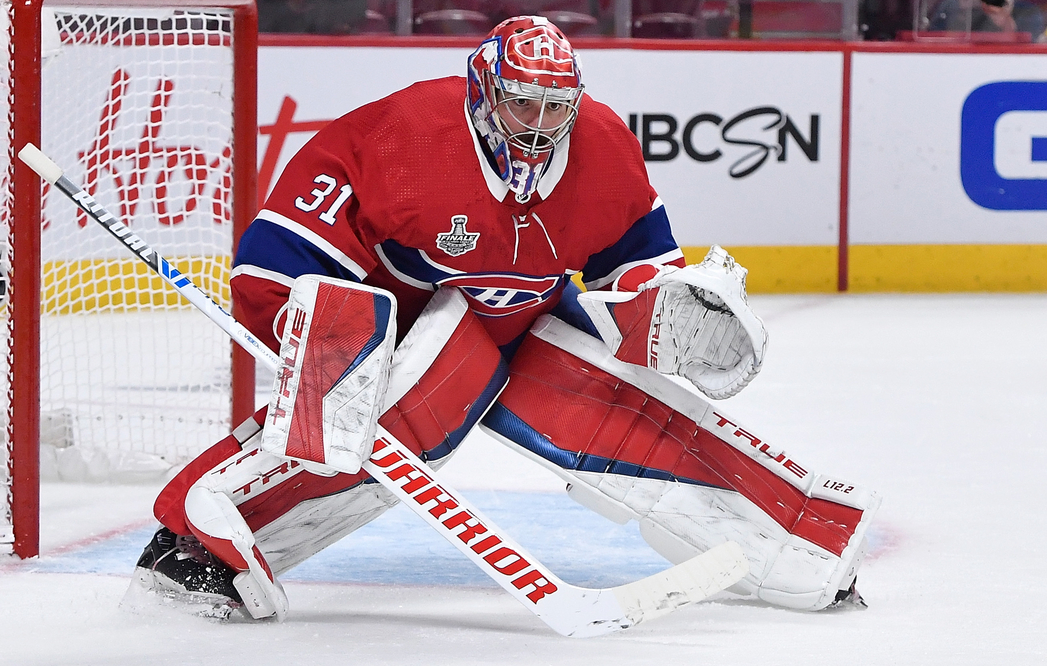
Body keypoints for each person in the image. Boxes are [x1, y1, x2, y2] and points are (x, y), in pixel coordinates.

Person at [130, 15, 879, 622]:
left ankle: (800, 544)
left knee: (628, 411)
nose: (540, 123)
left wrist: (671, 305)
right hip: (414, 331)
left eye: (556, 106)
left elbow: (638, 261)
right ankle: (195, 544)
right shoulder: (406, 136)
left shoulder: (604, 150)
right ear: (485, 91)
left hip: (527, 317)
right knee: (369, 429)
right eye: (523, 102)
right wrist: (328, 342)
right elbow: (276, 262)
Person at [926, 0, 1045, 40]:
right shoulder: (953, 5)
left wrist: (1005, 23)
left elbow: (1028, 53)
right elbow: (932, 38)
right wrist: (959, 16)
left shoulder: (1029, 12)